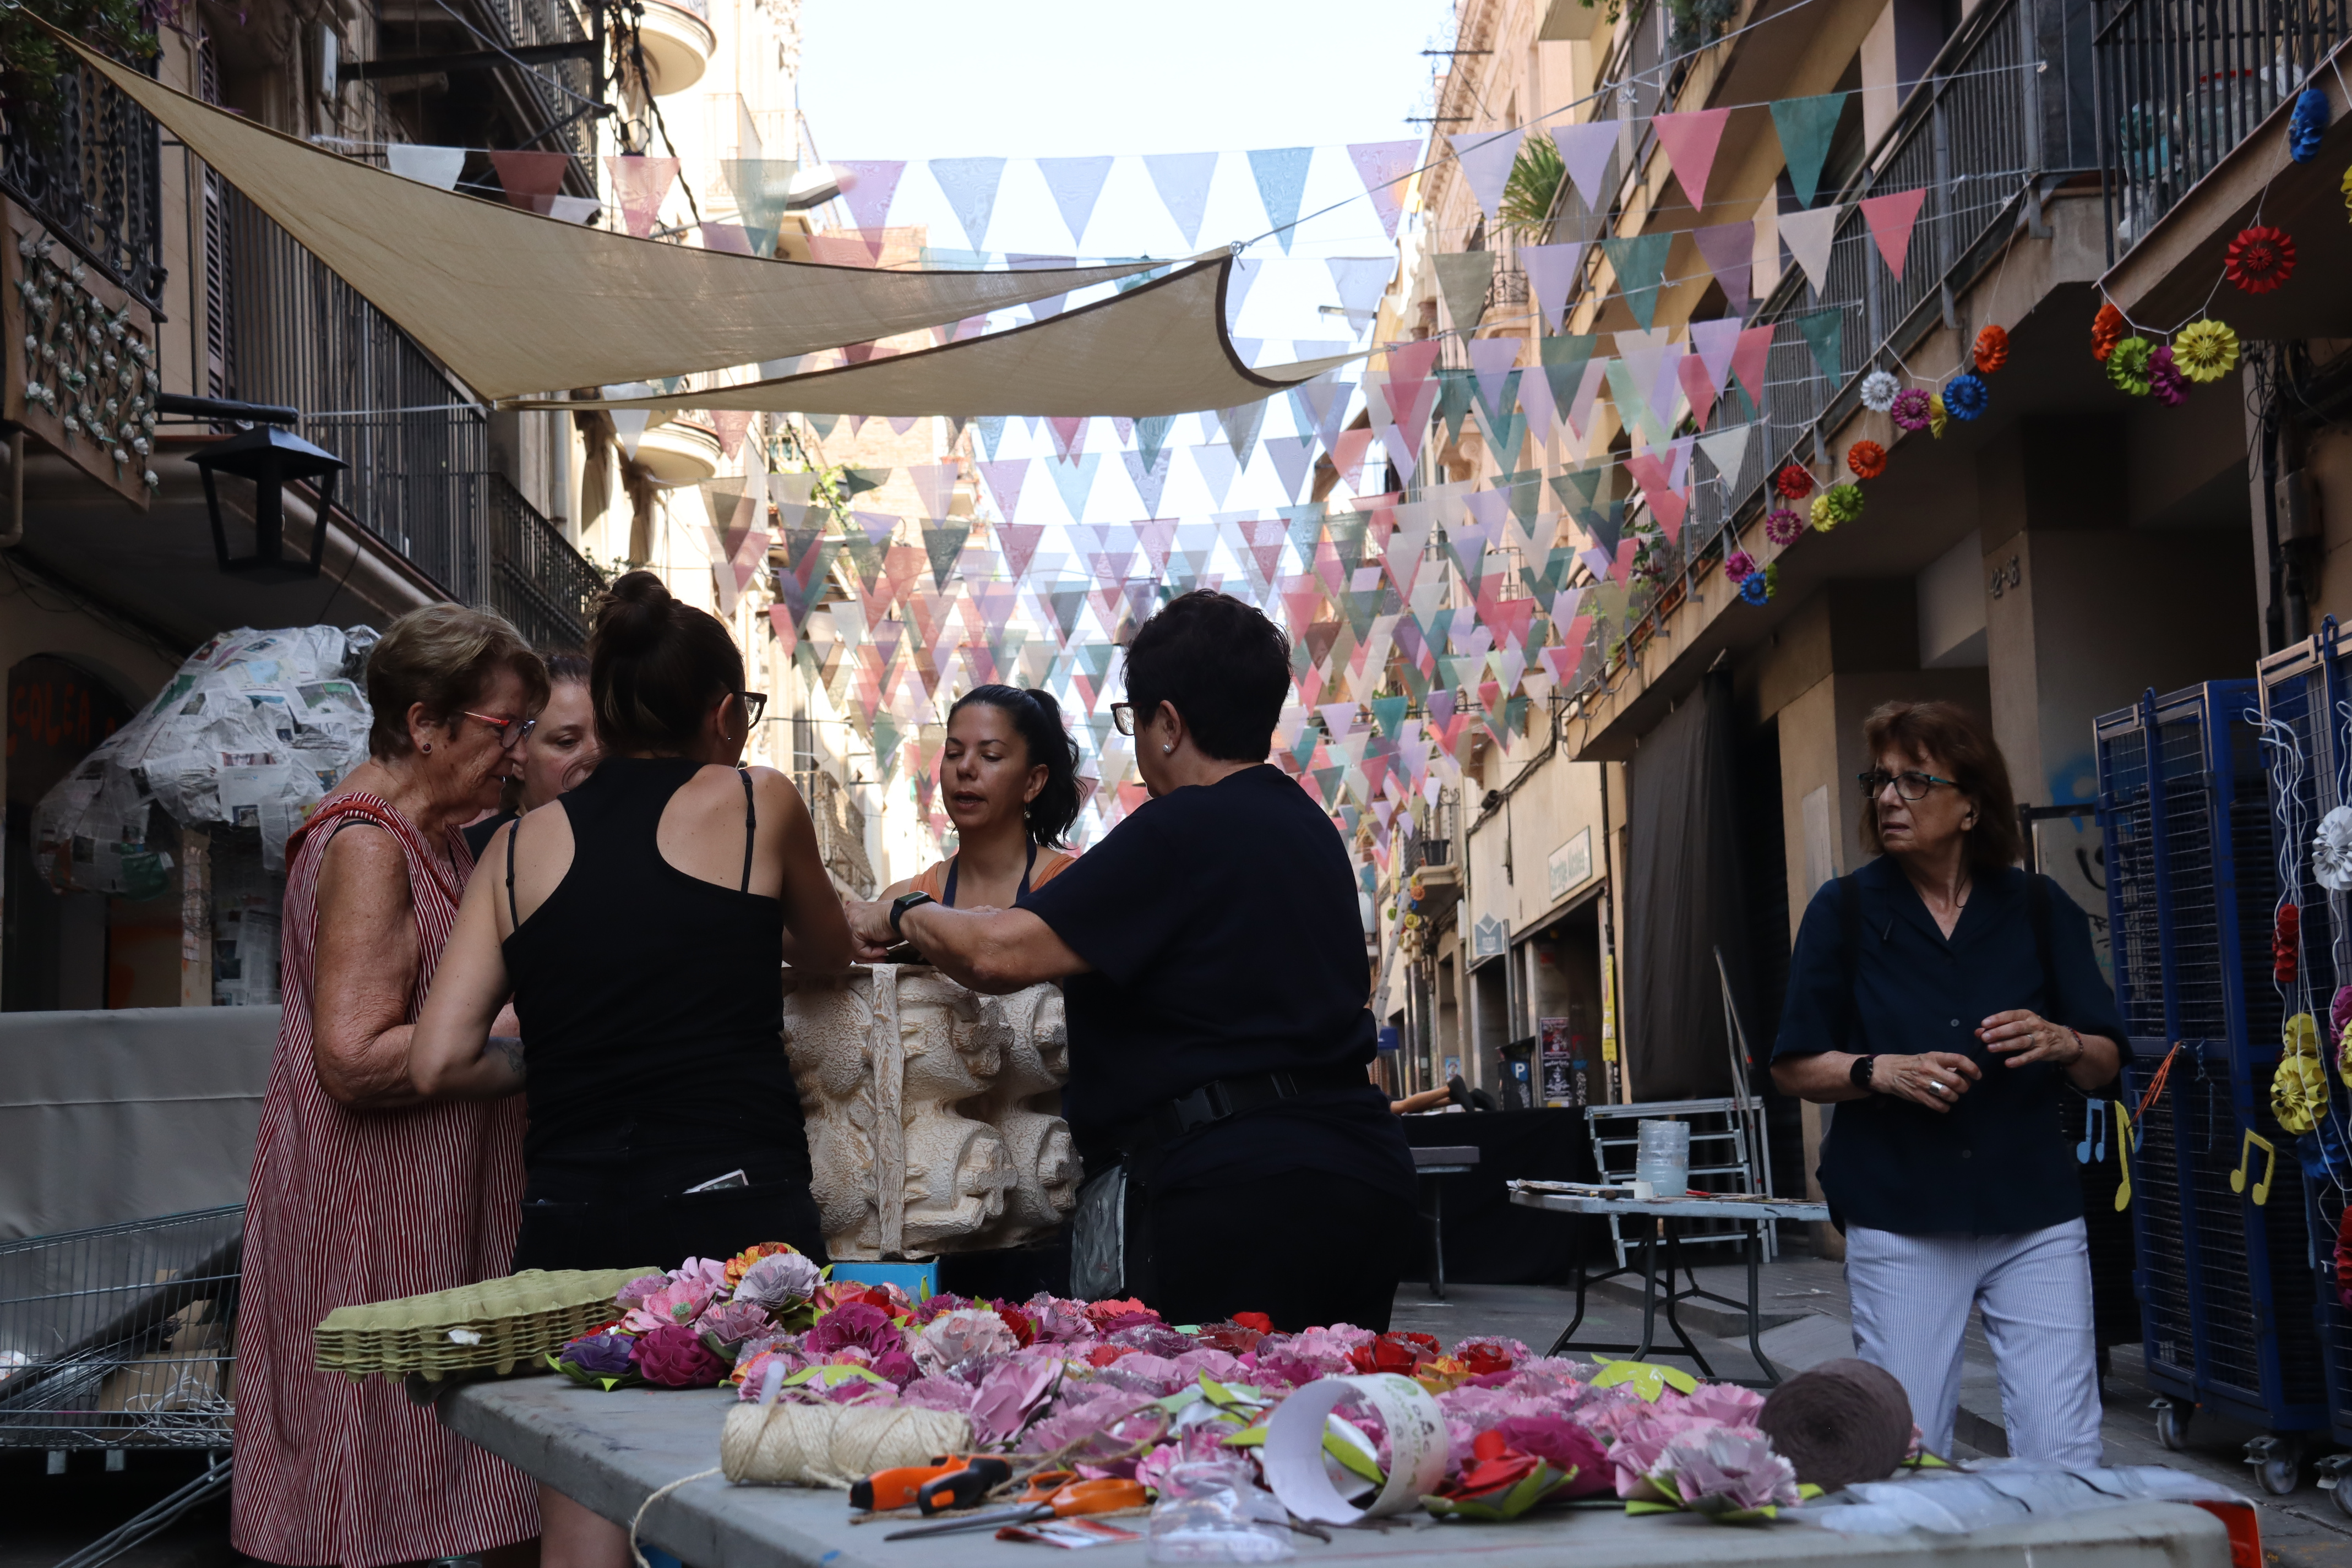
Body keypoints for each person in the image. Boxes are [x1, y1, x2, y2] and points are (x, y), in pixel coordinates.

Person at [413, 570, 853, 1568]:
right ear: (723, 714)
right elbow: (827, 956)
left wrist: (556, 1056)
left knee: (589, 1475)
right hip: (735, 1199)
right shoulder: (756, 803)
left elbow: (440, 1057)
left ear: (604, 708)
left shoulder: (515, 850)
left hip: (574, 1209)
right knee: (763, 1472)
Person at [845, 590, 1415, 1331]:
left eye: (1135, 721)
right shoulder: (1308, 826)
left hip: (1238, 1194)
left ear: (1169, 724)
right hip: (1359, 1174)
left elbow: (995, 955)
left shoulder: (1180, 828)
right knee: (1323, 1426)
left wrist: (898, 912)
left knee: (1210, 1426)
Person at [232, 606, 549, 1568]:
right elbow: (355, 1054)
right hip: (372, 1222)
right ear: (424, 723)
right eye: (505, 728)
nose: (521, 753)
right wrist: (532, 1032)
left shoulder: (442, 835)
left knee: (419, 1487)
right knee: (366, 1493)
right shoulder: (369, 845)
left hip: (425, 1213)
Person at [1770, 699, 2124, 1465]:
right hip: (1902, 1217)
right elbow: (1795, 1064)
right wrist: (1878, 1071)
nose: (1889, 799)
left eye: (1915, 782)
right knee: (1905, 1447)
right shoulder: (1845, 911)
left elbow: (2107, 1064)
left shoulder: (2038, 908)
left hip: (2033, 1215)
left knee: (2066, 1448)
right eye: (1882, 781)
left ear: (1971, 805)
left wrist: (2064, 1041)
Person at [876, 684, 1082, 910]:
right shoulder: (899, 902)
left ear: (1033, 782)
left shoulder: (1071, 888)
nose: (965, 767)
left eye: (990, 756)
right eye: (954, 754)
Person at [464, 651, 601, 860]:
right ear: (518, 755)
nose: (597, 755)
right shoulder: (472, 856)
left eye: (609, 740)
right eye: (568, 742)